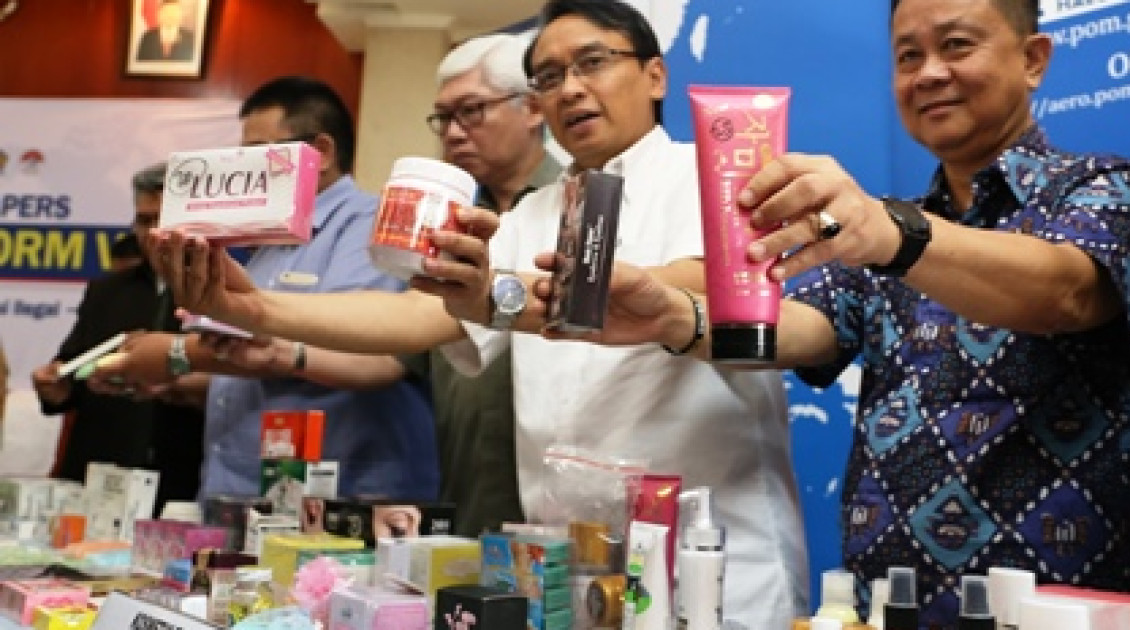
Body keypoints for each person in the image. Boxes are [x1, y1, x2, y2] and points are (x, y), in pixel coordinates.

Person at [136, 2, 809, 625]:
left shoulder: (715, 176)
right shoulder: (535, 214)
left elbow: (701, 280)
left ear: (655, 74)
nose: (571, 89)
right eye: (549, 77)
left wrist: (499, 294)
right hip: (566, 566)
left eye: (593, 62)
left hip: (711, 555)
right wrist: (252, 307)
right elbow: (421, 318)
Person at [532, 0, 1130, 626]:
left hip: (1056, 610)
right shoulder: (882, 230)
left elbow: (1066, 291)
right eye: (908, 56)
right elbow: (800, 327)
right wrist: (674, 318)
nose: (929, 73)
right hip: (885, 609)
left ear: (1033, 59)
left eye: (956, 45)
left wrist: (897, 237)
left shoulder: (1103, 189)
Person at [95, 76, 439, 503]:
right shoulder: (267, 241)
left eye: (261, 154)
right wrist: (177, 381)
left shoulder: (369, 226)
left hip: (339, 496)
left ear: (321, 152)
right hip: (242, 486)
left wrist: (178, 354)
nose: (251, 172)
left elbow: (361, 354)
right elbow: (258, 359)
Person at [411, 32, 563, 536]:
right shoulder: (445, 223)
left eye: (471, 111)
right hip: (462, 497)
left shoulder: (579, 207)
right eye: (443, 118)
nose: (453, 133)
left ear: (533, 109)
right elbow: (403, 345)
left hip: (557, 506)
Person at [30, 163, 205, 515]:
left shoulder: (221, 294)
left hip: (182, 480)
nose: (152, 233)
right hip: (101, 477)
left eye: (163, 221)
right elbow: (74, 368)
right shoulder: (107, 290)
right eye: (143, 221)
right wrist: (55, 388)